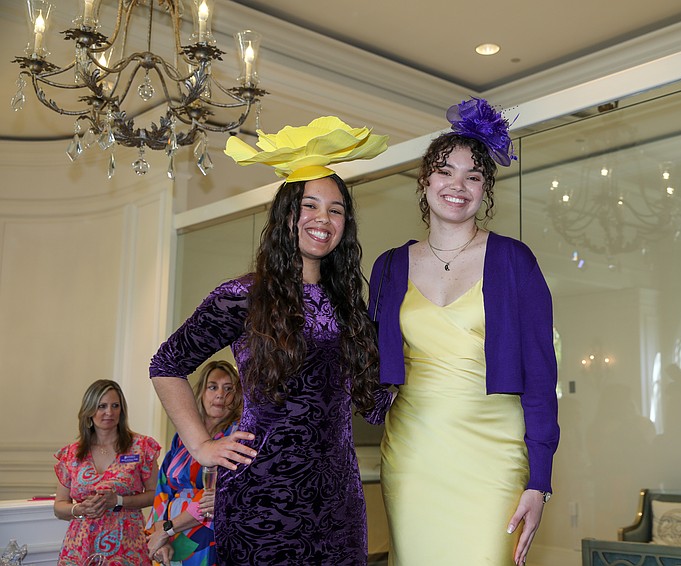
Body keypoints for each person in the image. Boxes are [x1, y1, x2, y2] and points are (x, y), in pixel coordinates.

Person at [149, 117, 394, 565]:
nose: (323, 218)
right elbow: (166, 365)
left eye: (336, 209)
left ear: (346, 225)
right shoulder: (243, 295)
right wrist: (203, 445)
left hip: (338, 499)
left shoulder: (350, 308)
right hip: (262, 497)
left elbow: (375, 403)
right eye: (310, 205)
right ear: (286, 216)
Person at [369, 97, 560, 566]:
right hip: (413, 452)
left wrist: (539, 482)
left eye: (473, 176)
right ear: (425, 181)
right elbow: (366, 361)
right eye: (445, 171)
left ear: (484, 189)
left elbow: (540, 377)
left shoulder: (515, 261)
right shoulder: (389, 266)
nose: (458, 185)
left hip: (495, 452)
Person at [53, 379, 161, 566]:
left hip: (127, 545)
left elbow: (156, 495)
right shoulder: (71, 453)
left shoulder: (142, 447)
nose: (109, 412)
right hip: (80, 547)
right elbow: (59, 506)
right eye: (102, 406)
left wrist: (119, 501)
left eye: (115, 406)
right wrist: (79, 509)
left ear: (122, 410)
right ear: (89, 411)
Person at [146, 360, 243, 566]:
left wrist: (168, 529)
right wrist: (158, 532)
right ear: (201, 392)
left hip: (206, 536)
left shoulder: (235, 436)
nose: (220, 395)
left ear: (237, 397)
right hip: (168, 537)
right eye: (213, 387)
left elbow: (214, 497)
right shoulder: (183, 437)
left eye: (229, 389)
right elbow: (163, 488)